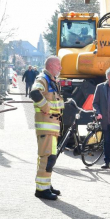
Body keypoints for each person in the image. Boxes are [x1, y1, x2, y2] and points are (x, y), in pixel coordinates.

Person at [29, 56, 64, 201]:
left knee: (50, 157)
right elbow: (34, 93)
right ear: (50, 66)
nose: (60, 68)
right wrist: (46, 107)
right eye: (58, 65)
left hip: (52, 126)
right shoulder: (43, 79)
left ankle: (46, 184)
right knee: (47, 157)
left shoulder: (51, 80)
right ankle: (41, 190)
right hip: (46, 125)